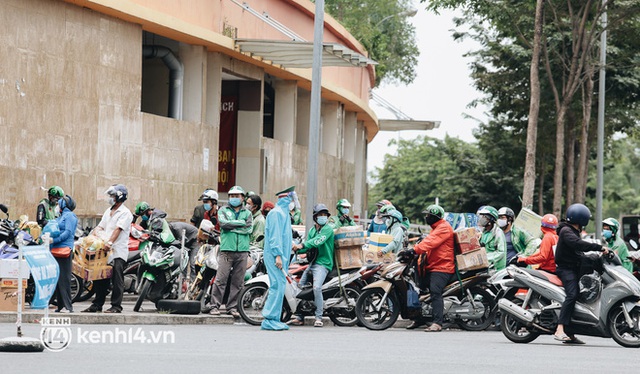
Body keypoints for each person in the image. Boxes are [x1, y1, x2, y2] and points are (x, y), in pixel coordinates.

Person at [553, 203, 608, 344]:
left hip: (573, 268)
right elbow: (578, 244)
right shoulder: (566, 231)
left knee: (582, 295)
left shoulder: (571, 230)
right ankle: (559, 329)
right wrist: (599, 247)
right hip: (565, 269)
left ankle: (570, 332)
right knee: (572, 294)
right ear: (581, 218)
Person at [83, 184, 133, 313]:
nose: (110, 198)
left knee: (117, 278)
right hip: (104, 251)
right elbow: (101, 226)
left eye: (112, 196)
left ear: (119, 197)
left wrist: (110, 242)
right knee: (100, 277)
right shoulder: (108, 211)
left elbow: (118, 229)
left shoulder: (126, 213)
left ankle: (116, 306)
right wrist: (92, 236)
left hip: (117, 250)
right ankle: (97, 304)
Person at [409, 204, 455, 332]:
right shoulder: (435, 228)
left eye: (428, 215)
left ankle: (437, 323)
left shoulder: (444, 228)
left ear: (434, 216)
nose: (426, 217)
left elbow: (430, 242)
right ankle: (419, 318)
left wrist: (414, 250)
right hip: (433, 265)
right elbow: (427, 240)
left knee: (435, 291)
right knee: (417, 287)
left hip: (442, 267)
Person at [208, 185, 252, 317]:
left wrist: (232, 226)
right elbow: (223, 224)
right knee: (221, 279)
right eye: (232, 196)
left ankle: (232, 307)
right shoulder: (223, 210)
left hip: (242, 251)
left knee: (238, 282)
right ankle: (214, 306)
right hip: (227, 250)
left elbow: (248, 229)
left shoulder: (248, 213)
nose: (234, 198)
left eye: (237, 196)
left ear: (242, 198)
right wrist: (240, 223)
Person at [290, 203, 335, 327]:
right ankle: (299, 316)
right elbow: (308, 247)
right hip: (312, 263)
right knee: (300, 288)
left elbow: (317, 241)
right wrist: (296, 249)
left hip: (323, 264)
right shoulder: (311, 230)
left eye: (324, 215)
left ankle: (319, 317)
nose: (323, 217)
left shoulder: (328, 229)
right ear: (315, 217)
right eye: (320, 215)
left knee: (316, 288)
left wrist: (302, 245)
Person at [261, 186, 295, 330]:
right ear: (286, 199)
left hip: (282, 256)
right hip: (276, 256)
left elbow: (284, 236)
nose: (293, 202)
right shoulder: (276, 214)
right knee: (276, 286)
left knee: (280, 286)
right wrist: (278, 256)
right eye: (292, 199)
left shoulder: (284, 214)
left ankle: (274, 318)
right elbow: (274, 237)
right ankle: (269, 318)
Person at [50, 195, 78, 313]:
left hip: (64, 250)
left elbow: (67, 233)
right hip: (55, 250)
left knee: (64, 278)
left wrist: (54, 240)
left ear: (63, 204)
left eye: (59, 203)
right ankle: (60, 305)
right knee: (58, 278)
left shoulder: (70, 216)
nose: (57, 206)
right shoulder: (62, 216)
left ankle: (68, 306)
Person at [477, 206, 507, 271]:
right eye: (481, 216)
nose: (481, 219)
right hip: (485, 267)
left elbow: (501, 252)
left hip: (495, 269)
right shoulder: (483, 233)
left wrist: (486, 258)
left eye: (484, 217)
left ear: (491, 219)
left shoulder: (498, 233)